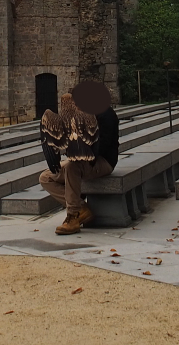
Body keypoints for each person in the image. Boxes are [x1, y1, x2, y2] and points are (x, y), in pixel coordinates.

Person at [39, 79, 119, 235]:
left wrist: (81, 151)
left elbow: (103, 146)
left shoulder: (106, 114)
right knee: (46, 177)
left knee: (72, 167)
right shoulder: (77, 115)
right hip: (80, 161)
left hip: (103, 161)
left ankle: (73, 216)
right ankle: (82, 208)